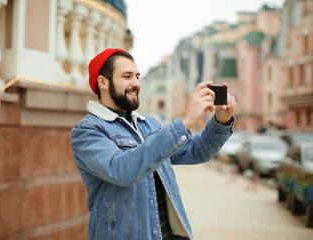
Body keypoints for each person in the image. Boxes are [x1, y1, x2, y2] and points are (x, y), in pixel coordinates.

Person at [70, 48, 236, 240]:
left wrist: (221, 121)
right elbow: (121, 170)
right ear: (103, 82)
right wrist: (184, 122)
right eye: (127, 76)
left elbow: (196, 152)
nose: (136, 84)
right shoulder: (87, 131)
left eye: (137, 76)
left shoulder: (150, 124)